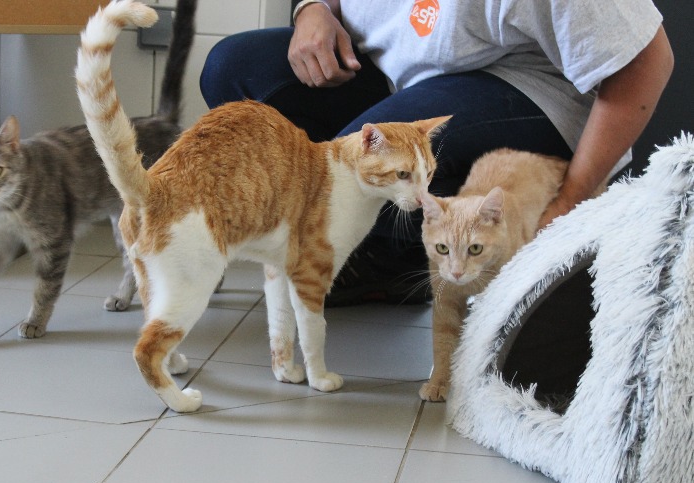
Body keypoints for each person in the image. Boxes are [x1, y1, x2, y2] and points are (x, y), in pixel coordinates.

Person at [199, 0, 674, 306]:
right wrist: (313, 9)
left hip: (528, 87)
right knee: (232, 69)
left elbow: (647, 60)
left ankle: (391, 252)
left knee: (351, 175)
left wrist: (570, 198)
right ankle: (379, 253)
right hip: (396, 74)